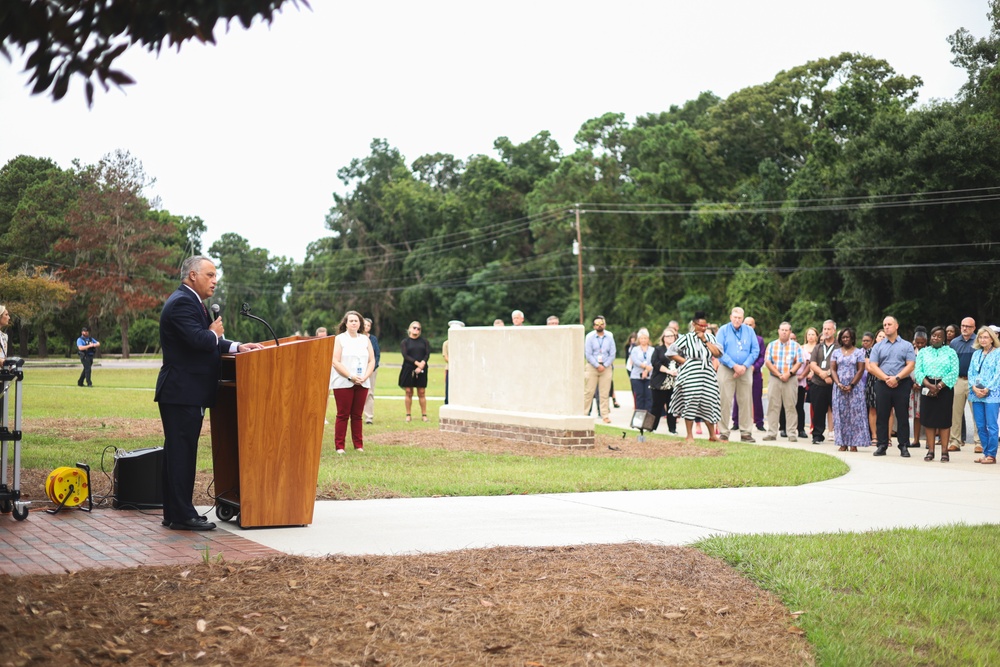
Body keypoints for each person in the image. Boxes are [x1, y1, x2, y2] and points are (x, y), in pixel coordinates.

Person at [155, 256, 263, 531]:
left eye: (216, 276)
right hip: (182, 392)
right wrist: (213, 332)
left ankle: (174, 512)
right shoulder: (182, 302)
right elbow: (199, 340)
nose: (215, 280)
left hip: (186, 392)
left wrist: (237, 346)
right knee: (181, 454)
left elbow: (206, 341)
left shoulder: (192, 302)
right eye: (210, 275)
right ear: (193, 275)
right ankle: (181, 515)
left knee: (178, 453)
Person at [668, 311, 722, 444]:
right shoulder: (686, 338)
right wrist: (685, 361)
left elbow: (718, 353)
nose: (703, 328)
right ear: (694, 324)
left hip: (707, 373)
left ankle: (712, 435)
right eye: (700, 325)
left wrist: (705, 340)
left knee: (709, 401)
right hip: (691, 373)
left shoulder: (711, 338)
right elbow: (670, 352)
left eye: (705, 326)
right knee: (691, 400)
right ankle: (689, 435)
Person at [868, 316, 916, 457]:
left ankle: (903, 445)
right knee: (882, 415)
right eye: (884, 324)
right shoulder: (878, 346)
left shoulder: (907, 345)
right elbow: (872, 366)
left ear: (896, 326)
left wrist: (897, 378)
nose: (886, 327)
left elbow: (911, 365)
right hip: (883, 384)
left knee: (902, 415)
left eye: (889, 324)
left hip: (902, 383)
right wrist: (886, 378)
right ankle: (882, 445)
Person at [330, 311, 376, 454]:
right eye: (351, 321)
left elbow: (372, 360)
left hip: (362, 382)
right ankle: (340, 446)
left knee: (357, 415)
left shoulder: (365, 339)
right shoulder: (340, 339)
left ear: (360, 323)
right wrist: (350, 376)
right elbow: (335, 361)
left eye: (356, 321)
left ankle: (358, 445)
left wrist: (365, 376)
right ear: (345, 323)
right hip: (343, 381)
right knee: (343, 414)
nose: (354, 323)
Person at [915, 326, 959, 462]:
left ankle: (945, 451)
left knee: (944, 420)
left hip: (944, 387)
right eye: (934, 335)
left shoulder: (951, 352)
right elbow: (918, 371)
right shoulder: (923, 352)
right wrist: (928, 385)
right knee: (929, 420)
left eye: (939, 336)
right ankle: (931, 450)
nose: (936, 338)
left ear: (944, 338)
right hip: (927, 386)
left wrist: (939, 386)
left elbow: (954, 371)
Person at [716, 307, 759, 443]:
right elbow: (719, 351)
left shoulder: (749, 330)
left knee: (746, 400)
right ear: (730, 317)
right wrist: (734, 365)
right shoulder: (723, 330)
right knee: (724, 400)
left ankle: (746, 432)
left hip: (745, 369)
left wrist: (744, 366)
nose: (737, 320)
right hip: (727, 368)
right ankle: (723, 432)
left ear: (743, 318)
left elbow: (755, 350)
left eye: (740, 317)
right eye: (735, 317)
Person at [830, 327, 868, 452]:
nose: (845, 339)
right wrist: (839, 383)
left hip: (855, 388)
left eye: (848, 337)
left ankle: (854, 443)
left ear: (852, 339)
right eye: (843, 337)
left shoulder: (859, 353)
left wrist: (851, 385)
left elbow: (861, 370)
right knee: (841, 415)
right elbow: (833, 369)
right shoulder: (836, 352)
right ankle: (842, 442)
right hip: (839, 388)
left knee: (855, 415)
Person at [763, 322, 802, 442]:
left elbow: (799, 362)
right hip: (775, 378)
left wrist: (789, 373)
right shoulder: (772, 345)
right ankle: (771, 432)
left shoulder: (796, 346)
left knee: (790, 406)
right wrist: (779, 374)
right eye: (782, 330)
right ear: (778, 331)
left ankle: (791, 433)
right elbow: (768, 362)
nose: (784, 332)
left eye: (786, 330)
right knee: (773, 406)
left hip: (790, 379)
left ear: (790, 332)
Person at [968, 326, 1000, 465]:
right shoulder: (976, 354)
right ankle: (986, 453)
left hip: (991, 394)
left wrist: (987, 389)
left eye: (986, 337)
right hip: (976, 394)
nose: (983, 340)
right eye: (981, 337)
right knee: (980, 425)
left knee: (991, 425)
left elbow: (998, 374)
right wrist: (974, 387)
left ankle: (992, 454)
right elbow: (971, 372)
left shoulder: (998, 353)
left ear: (992, 339)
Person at [949, 317, 980, 453]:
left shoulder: (979, 341)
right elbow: (951, 363)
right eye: (963, 326)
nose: (965, 328)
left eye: (968, 326)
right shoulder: (954, 343)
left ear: (974, 328)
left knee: (977, 413)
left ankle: (979, 442)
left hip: (975, 381)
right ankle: (954, 441)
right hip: (958, 380)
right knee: (955, 413)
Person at [734, 316, 766, 432]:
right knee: (738, 397)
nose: (748, 327)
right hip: (740, 371)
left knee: (756, 398)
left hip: (754, 372)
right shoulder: (737, 338)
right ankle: (736, 421)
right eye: (746, 324)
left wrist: (754, 367)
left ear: (754, 326)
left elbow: (762, 357)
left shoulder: (759, 340)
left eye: (750, 324)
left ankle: (759, 422)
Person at [808, 320, 838, 444]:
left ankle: (839, 435)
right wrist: (822, 374)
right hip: (818, 383)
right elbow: (812, 363)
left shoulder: (839, 347)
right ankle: (817, 436)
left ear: (834, 331)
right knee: (818, 410)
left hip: (834, 383)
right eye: (824, 329)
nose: (826, 331)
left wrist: (829, 374)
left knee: (837, 410)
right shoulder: (818, 347)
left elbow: (840, 363)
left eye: (829, 329)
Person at [583, 315, 616, 423]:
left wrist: (605, 365)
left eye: (601, 324)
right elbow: (588, 354)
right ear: (593, 326)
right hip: (592, 366)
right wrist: (597, 365)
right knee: (589, 391)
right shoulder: (589, 337)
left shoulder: (610, 336)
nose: (599, 326)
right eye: (597, 324)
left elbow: (612, 353)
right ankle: (584, 413)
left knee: (604, 393)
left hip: (606, 367)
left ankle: (605, 415)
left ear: (604, 324)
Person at [399, 321, 431, 422]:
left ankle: (424, 415)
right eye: (414, 328)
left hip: (422, 368)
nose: (416, 330)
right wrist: (417, 363)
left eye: (418, 328)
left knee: (421, 392)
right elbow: (405, 355)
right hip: (408, 368)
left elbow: (427, 354)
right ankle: (408, 415)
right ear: (409, 329)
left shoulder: (424, 341)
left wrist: (422, 364)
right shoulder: (405, 342)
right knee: (408, 391)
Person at [649, 329, 679, 434]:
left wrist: (677, 371)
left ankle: (672, 429)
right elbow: (655, 363)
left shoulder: (679, 350)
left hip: (674, 383)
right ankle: (651, 428)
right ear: (663, 338)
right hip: (660, 383)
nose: (670, 338)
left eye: (672, 336)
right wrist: (668, 371)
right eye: (667, 336)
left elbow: (683, 362)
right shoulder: (658, 350)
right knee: (657, 406)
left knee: (672, 406)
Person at [909, 328, 928, 447]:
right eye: (918, 342)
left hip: (926, 387)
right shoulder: (910, 352)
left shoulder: (929, 352)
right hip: (912, 387)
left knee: (926, 413)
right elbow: (907, 368)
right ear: (914, 341)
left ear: (926, 341)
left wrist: (922, 384)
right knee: (917, 415)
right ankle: (916, 439)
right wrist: (912, 384)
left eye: (922, 342)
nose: (920, 345)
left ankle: (927, 440)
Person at [628, 328, 654, 412]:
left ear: (648, 339)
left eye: (645, 338)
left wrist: (647, 370)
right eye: (641, 338)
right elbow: (635, 360)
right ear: (639, 339)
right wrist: (645, 367)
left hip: (649, 376)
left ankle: (648, 416)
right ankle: (639, 416)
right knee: (639, 396)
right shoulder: (635, 349)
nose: (643, 340)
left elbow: (654, 361)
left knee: (648, 396)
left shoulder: (652, 350)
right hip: (637, 376)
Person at [362, 318, 380, 424]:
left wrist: (372, 367)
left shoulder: (373, 339)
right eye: (364, 325)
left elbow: (377, 354)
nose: (366, 327)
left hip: (371, 369)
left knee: (369, 392)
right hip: (358, 369)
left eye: (368, 325)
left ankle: (369, 417)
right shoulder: (356, 337)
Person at [442, 320, 463, 405]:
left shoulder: (462, 343)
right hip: (450, 369)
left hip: (461, 369)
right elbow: (445, 356)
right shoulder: (446, 343)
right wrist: (455, 363)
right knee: (448, 389)